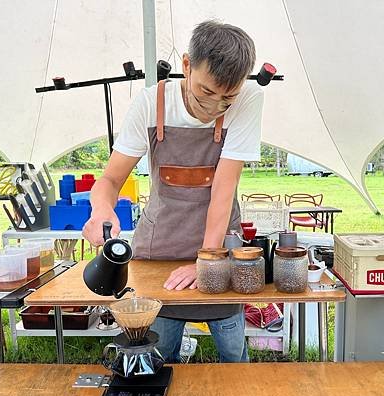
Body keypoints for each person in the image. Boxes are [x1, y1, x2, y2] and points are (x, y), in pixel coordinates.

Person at [82, 20, 263, 363]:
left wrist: (207, 262)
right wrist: (101, 209)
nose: (214, 107)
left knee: (233, 355)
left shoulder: (250, 98)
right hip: (160, 250)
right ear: (186, 65)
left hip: (218, 245)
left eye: (228, 98)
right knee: (158, 353)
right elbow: (109, 181)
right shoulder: (150, 104)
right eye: (206, 92)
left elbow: (222, 192)